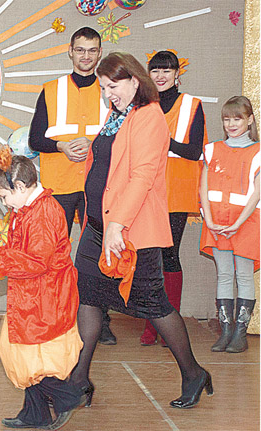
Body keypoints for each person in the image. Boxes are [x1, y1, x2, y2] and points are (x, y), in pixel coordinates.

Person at [69, 52, 212, 411]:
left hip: (130, 231)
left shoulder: (150, 116)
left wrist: (117, 225)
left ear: (134, 81)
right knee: (88, 297)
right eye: (103, 88)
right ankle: (79, 380)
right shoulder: (117, 115)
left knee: (153, 304)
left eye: (112, 86)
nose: (108, 94)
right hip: (96, 227)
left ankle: (193, 373)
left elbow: (142, 176)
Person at [0, 146, 85, 430]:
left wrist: (0, 262)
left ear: (21, 186)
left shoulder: (43, 212)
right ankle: (35, 413)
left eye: (4, 196)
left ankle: (69, 396)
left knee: (31, 357)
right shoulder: (26, 209)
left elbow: (37, 261)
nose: (5, 203)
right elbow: (20, 249)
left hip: (46, 295)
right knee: (24, 353)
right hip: (31, 293)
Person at [29, 26, 116, 345]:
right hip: (59, 184)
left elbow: (123, 137)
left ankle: (101, 320)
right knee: (54, 254)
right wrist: (62, 146)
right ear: (70, 51)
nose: (86, 56)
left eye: (92, 50)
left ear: (100, 53)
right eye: (80, 49)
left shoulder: (110, 90)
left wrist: (94, 146)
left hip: (98, 185)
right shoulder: (51, 89)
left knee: (102, 255)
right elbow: (35, 139)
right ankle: (55, 317)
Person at [139, 51, 208, 346]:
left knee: (169, 255)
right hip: (146, 190)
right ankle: (150, 321)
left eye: (167, 70)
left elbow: (194, 151)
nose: (161, 76)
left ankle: (170, 324)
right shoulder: (141, 104)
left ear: (178, 74)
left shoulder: (192, 105)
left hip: (177, 192)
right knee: (147, 256)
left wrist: (163, 140)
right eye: (155, 70)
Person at [200, 96, 259, 353]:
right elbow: (203, 187)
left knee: (243, 275)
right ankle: (225, 331)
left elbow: (257, 193)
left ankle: (239, 334)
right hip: (216, 223)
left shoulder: (258, 152)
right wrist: (209, 219)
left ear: (250, 120)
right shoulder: (212, 149)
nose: (231, 124)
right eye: (227, 119)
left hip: (246, 223)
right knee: (224, 274)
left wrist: (238, 223)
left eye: (237, 118)